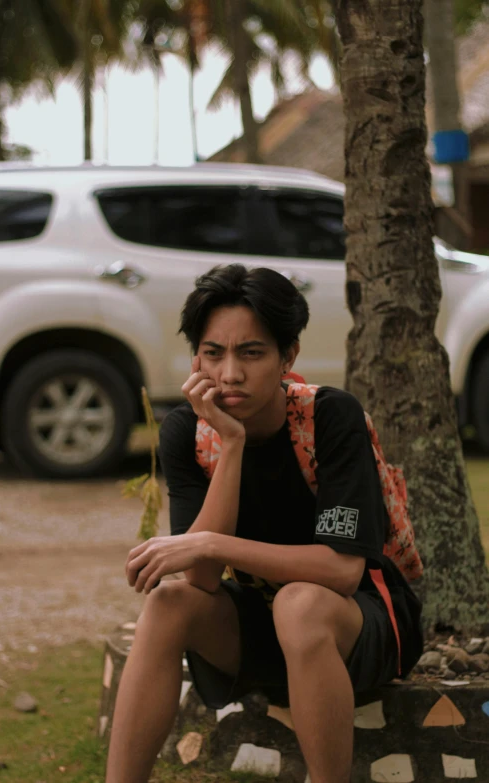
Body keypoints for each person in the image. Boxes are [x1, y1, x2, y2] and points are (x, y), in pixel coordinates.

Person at [105, 264, 423, 783]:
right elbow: (203, 580)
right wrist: (229, 444)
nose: (229, 374)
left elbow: (342, 572)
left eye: (251, 353)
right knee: (168, 604)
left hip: (360, 624)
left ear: (287, 356)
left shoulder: (331, 418)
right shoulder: (189, 431)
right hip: (266, 630)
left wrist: (210, 542)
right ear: (196, 359)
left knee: (301, 602)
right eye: (214, 353)